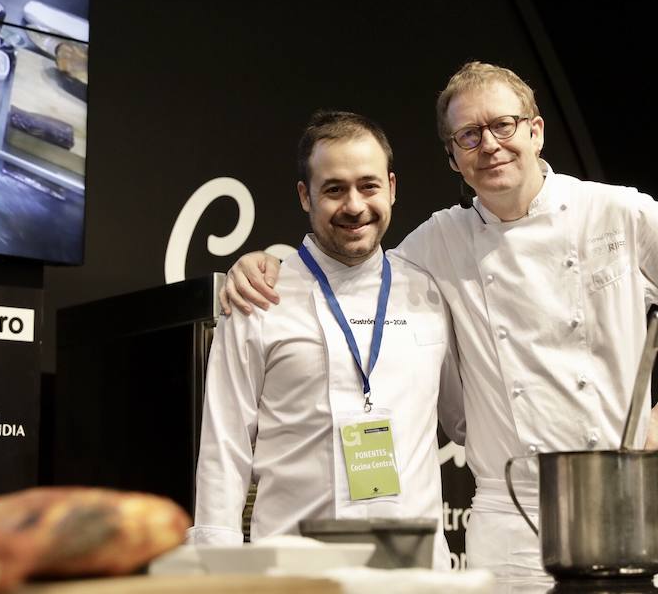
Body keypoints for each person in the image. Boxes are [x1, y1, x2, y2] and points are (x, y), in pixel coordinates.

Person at [220, 62, 658, 578]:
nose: (490, 146)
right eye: (469, 136)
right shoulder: (436, 244)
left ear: (536, 130)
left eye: (503, 126)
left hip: (622, 500)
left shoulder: (617, 213)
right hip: (509, 521)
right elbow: (352, 269)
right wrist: (267, 265)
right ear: (453, 157)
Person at [188, 110, 465, 570]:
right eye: (334, 189)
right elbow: (225, 446)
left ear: (392, 188)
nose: (354, 205)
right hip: (295, 571)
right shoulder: (260, 295)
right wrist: (217, 573)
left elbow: (465, 420)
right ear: (305, 196)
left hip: (414, 574)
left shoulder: (429, 292)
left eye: (368, 186)